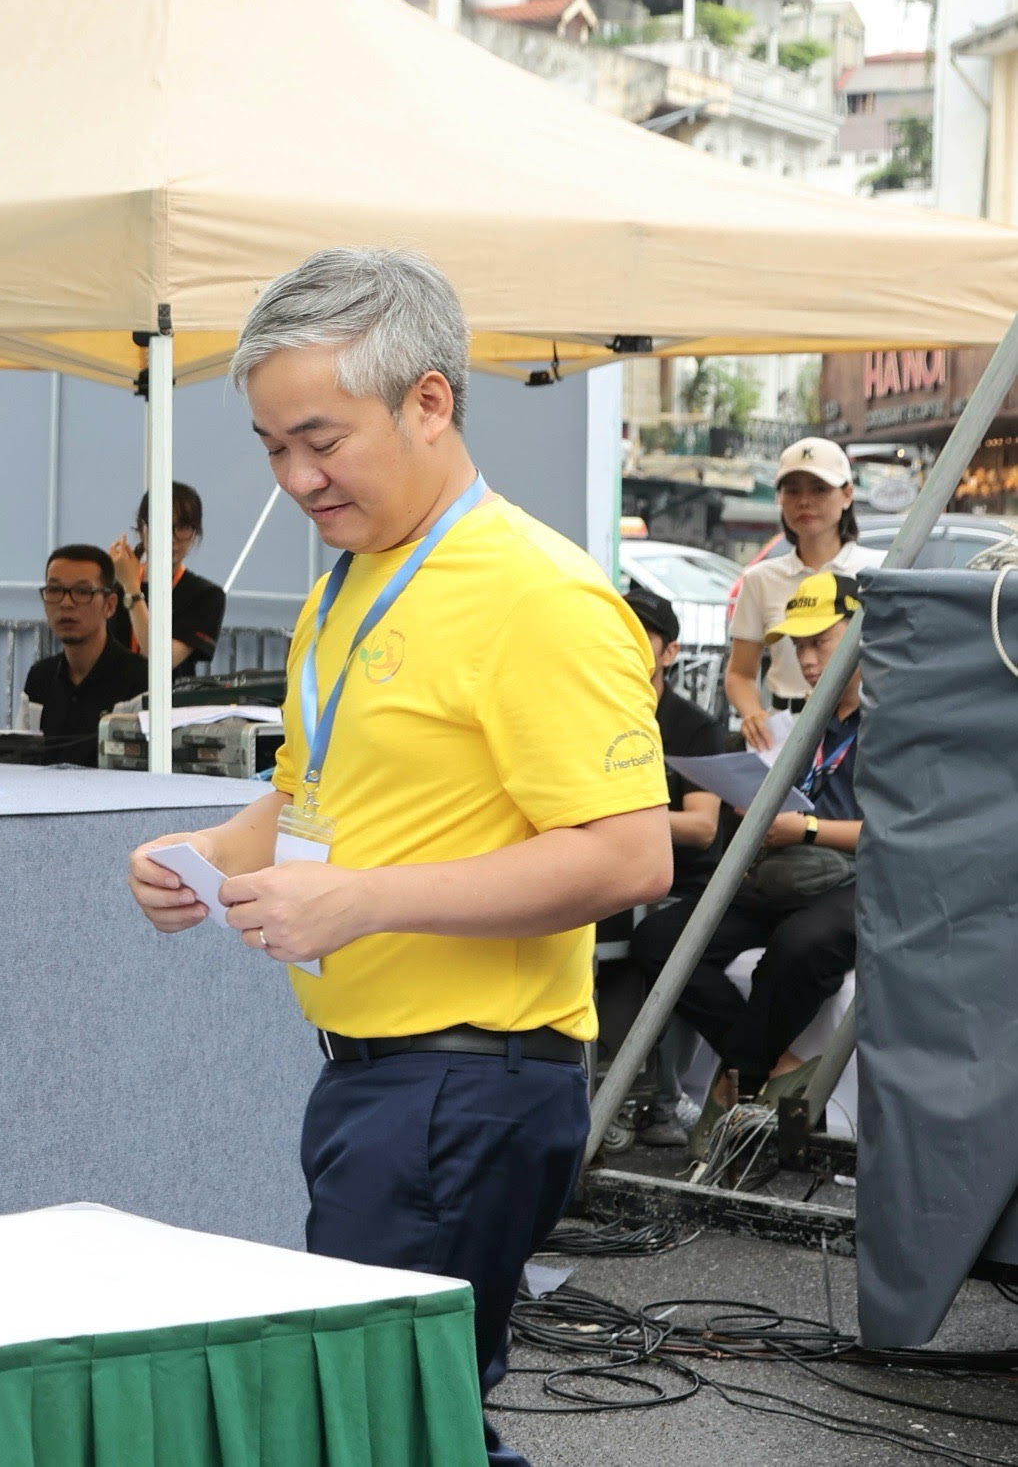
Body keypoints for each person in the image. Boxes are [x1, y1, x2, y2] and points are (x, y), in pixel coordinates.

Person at [124, 248, 670, 1467]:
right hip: (382, 1081)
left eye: (321, 438)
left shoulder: (536, 594)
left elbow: (630, 856)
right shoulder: (357, 579)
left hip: (462, 1085)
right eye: (272, 447)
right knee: (404, 1418)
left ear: (429, 402)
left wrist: (361, 902)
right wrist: (205, 850)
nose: (296, 477)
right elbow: (317, 794)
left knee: (383, 1422)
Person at [641, 572, 867, 1159]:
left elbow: (900, 832)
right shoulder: (800, 722)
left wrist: (808, 827)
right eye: (798, 646)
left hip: (855, 877)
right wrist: (758, 814)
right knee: (662, 939)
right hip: (785, 869)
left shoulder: (893, 720)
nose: (808, 659)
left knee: (800, 946)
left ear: (863, 630)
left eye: (821, 641)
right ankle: (778, 1065)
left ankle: (733, 1078)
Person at [605, 587, 732, 1146]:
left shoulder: (693, 726)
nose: (623, 643)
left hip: (684, 883)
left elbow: (703, 827)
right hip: (612, 876)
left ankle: (665, 1098)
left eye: (641, 634)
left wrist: (623, 816)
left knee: (663, 944)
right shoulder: (593, 709)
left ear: (670, 652)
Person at [725, 437, 877, 751]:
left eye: (819, 488)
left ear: (847, 494)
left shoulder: (880, 570)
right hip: (782, 738)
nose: (804, 501)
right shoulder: (760, 579)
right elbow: (740, 672)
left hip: (857, 738)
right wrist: (753, 714)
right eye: (792, 490)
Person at [21, 544, 149, 766]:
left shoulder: (139, 682)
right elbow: (20, 758)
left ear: (109, 606)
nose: (66, 603)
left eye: (82, 592)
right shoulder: (39, 679)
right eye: (54, 590)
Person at [108, 481, 227, 674]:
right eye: (160, 524)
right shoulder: (112, 587)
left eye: (182, 527)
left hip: (172, 703)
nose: (170, 538)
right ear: (141, 528)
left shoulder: (206, 595)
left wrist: (131, 587)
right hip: (113, 701)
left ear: (195, 533)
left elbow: (161, 661)